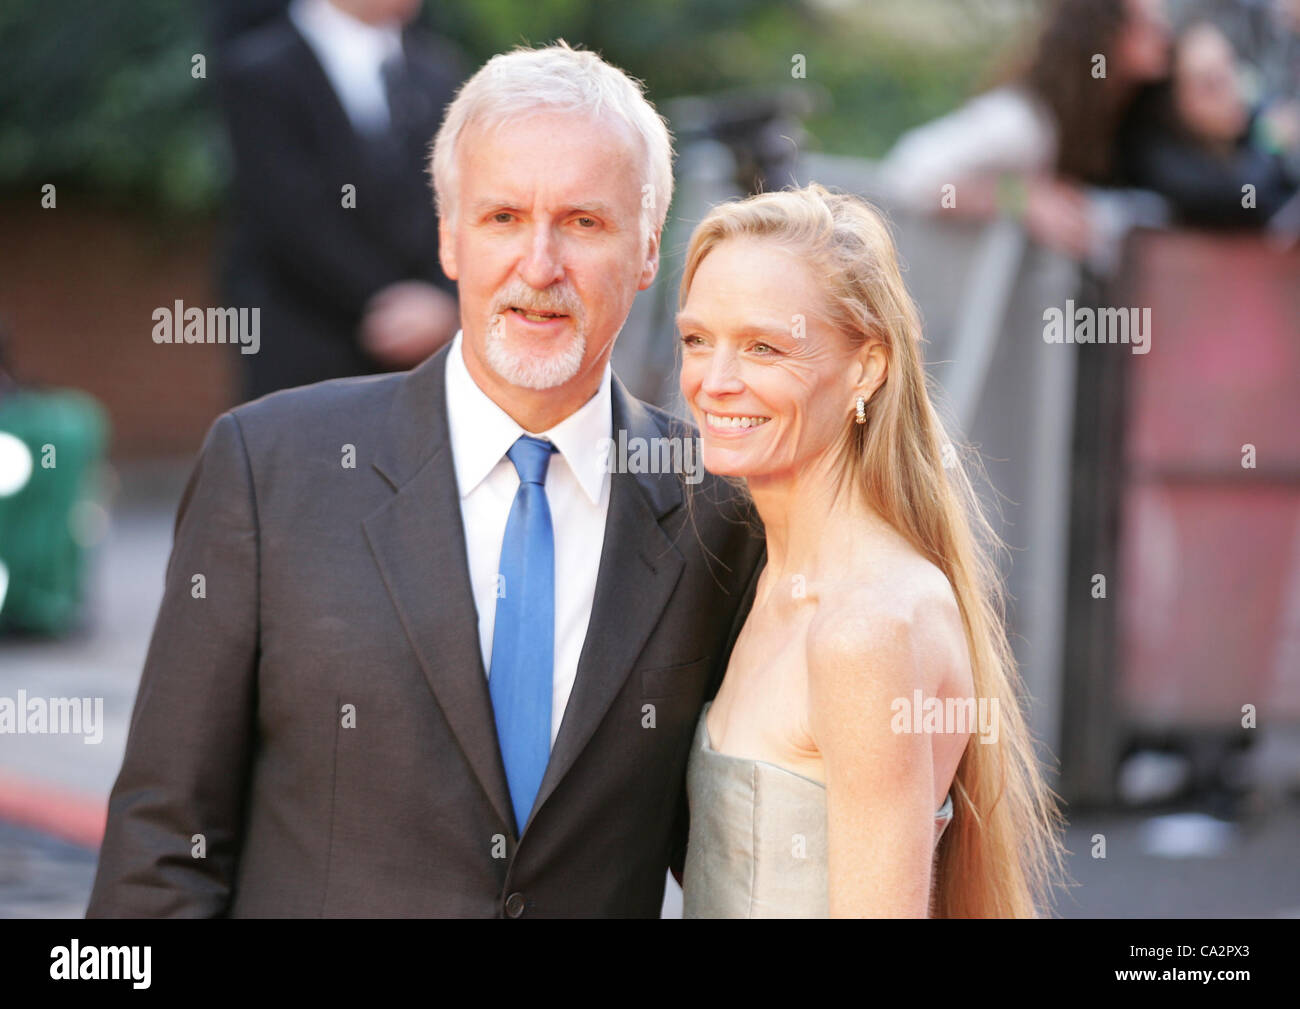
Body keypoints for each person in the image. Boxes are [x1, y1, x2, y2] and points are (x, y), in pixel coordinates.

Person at [86, 42, 765, 918]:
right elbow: (159, 851)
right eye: (502, 218)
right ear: (447, 236)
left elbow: (727, 846)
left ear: (647, 252)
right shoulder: (269, 468)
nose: (540, 264)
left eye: (584, 223)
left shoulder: (721, 507)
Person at [675, 185, 1066, 917]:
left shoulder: (863, 631)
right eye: (698, 339)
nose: (715, 381)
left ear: (867, 366)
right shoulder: (771, 580)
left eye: (764, 346)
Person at [213, 0, 464, 401]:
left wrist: (444, 299)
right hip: (304, 344)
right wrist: (386, 305)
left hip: (425, 358)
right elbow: (287, 215)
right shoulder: (258, 70)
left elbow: (462, 199)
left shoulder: (439, 71)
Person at [877, 0, 1172, 263]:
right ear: (1103, 34)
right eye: (1146, 23)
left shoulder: (1126, 120)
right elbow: (910, 174)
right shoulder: (1023, 121)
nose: (1164, 33)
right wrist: (1020, 198)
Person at [1118, 20, 1299, 228]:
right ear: (1176, 103)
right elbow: (1245, 196)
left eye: (1231, 68)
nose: (1232, 92)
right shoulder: (1166, 167)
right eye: (1211, 85)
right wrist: (1271, 142)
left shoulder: (1245, 120)